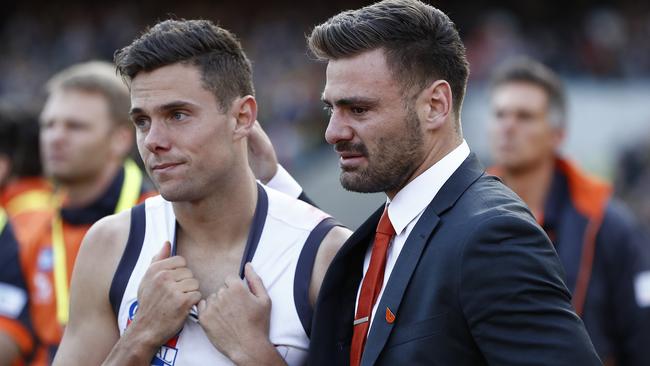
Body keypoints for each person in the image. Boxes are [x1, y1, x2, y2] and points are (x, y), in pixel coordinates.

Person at [297, 1, 602, 364]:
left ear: (436, 105)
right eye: (331, 109)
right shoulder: (390, 231)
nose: (333, 133)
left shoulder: (493, 237)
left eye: (359, 109)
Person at [52, 19, 349, 366]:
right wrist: (140, 336)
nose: (153, 141)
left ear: (242, 117)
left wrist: (253, 353)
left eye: (177, 115)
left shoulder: (324, 254)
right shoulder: (110, 243)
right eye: (142, 121)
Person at [487, 57, 650, 366]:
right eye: (499, 114)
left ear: (557, 134)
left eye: (524, 116)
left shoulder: (610, 226)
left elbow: (642, 336)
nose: (508, 127)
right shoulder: (462, 218)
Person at [0, 61, 158, 366]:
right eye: (49, 125)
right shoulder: (22, 225)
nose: (55, 137)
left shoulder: (162, 220)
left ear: (120, 139)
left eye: (75, 126)